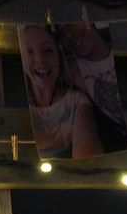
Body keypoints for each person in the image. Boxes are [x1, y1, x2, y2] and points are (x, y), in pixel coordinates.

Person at [18, 25, 103, 160]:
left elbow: (87, 150)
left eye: (48, 50)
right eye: (29, 52)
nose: (40, 59)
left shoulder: (76, 102)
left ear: (59, 55)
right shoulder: (19, 102)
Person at [56, 21, 127, 154]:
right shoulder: (71, 70)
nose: (68, 36)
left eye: (69, 23)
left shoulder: (125, 46)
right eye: (60, 34)